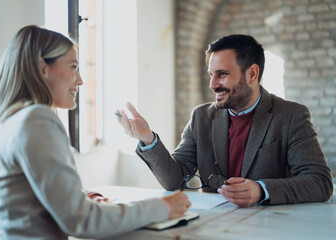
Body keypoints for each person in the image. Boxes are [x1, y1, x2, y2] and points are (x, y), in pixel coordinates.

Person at [0, 25, 191, 240]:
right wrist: (161, 207)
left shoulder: (5, 121)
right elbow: (81, 220)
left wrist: (84, 194)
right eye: (73, 67)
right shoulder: (36, 119)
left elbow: (30, 192)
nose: (80, 80)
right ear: (43, 67)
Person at [116, 34, 333, 208]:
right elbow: (174, 180)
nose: (212, 84)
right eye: (211, 74)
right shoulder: (201, 117)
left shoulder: (291, 115)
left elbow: (321, 183)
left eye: (222, 74)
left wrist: (261, 190)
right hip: (213, 227)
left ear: (252, 74)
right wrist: (147, 138)